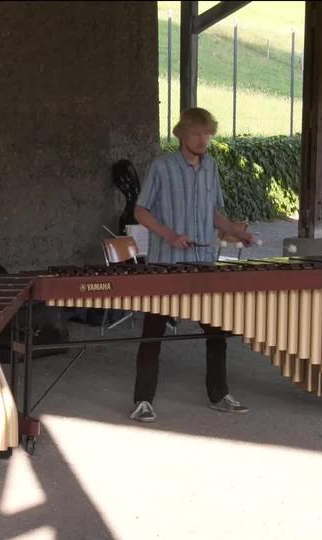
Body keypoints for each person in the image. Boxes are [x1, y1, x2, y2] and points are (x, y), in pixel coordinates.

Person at [129, 107, 256, 423]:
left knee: (216, 331)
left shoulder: (211, 166)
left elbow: (214, 212)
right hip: (166, 263)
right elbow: (140, 212)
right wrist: (170, 236)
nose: (203, 140)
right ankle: (143, 400)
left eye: (208, 134)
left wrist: (235, 231)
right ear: (181, 134)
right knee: (153, 332)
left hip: (203, 263)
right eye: (197, 133)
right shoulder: (162, 167)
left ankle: (219, 394)